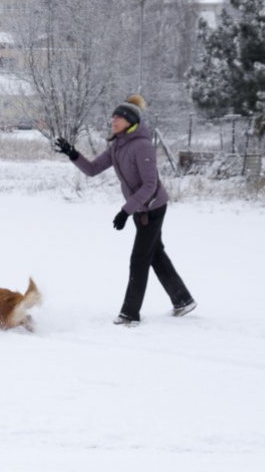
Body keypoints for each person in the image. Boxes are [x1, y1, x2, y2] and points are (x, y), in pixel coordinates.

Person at [54, 94, 196, 327]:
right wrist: (72, 153)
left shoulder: (142, 146)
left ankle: (130, 314)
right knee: (154, 254)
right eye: (113, 117)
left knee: (139, 259)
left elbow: (150, 185)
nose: (113, 120)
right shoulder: (118, 146)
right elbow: (92, 169)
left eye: (118, 117)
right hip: (139, 208)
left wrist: (126, 211)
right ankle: (183, 300)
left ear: (131, 121)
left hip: (152, 208)